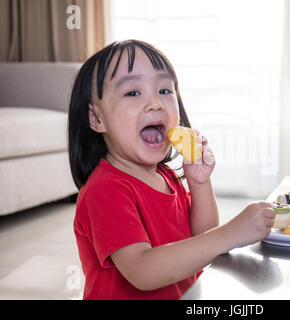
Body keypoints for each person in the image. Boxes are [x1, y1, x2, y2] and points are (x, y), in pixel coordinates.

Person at [68, 39, 275, 300]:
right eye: (133, 93)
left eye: (165, 90)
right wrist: (231, 234)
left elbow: (203, 238)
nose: (155, 103)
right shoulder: (105, 190)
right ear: (96, 118)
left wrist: (198, 183)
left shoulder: (166, 176)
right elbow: (142, 271)